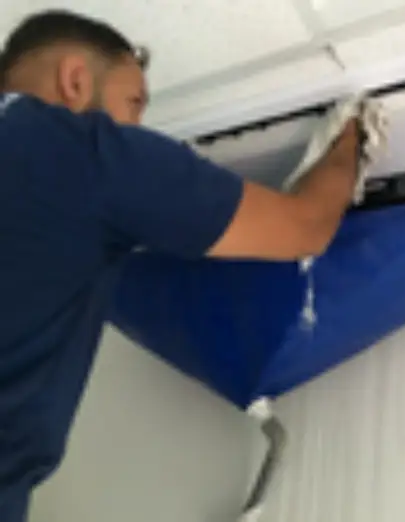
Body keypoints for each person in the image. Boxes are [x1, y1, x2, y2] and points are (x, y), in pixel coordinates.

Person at [0, 9, 361, 521]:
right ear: (75, 80)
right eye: (134, 104)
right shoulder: (86, 154)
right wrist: (353, 136)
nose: (137, 128)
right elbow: (306, 226)